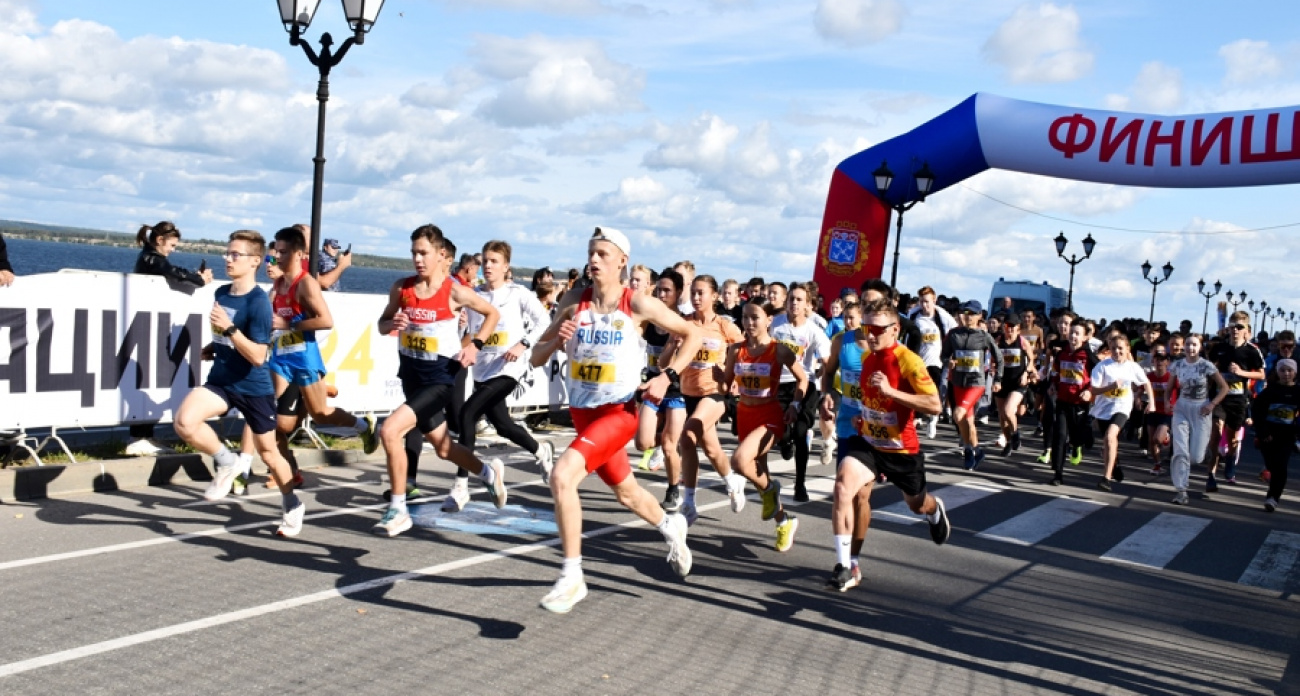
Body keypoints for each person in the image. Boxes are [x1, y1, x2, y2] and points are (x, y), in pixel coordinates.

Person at [528, 227, 699, 614]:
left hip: (619, 412)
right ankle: (671, 526)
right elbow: (537, 357)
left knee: (561, 476)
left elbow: (692, 334)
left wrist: (667, 375)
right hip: (582, 414)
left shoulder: (636, 304)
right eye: (591, 252)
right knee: (627, 493)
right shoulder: (574, 301)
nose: (594, 259)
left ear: (622, 260)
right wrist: (556, 340)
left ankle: (572, 577)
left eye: (603, 253)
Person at [372, 224, 507, 537]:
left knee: (390, 430)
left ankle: (398, 508)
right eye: (414, 253)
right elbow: (381, 325)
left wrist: (475, 345)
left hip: (440, 378)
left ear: (439, 254)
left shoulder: (454, 291)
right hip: (411, 376)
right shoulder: (401, 288)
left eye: (423, 253)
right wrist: (394, 322)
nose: (418, 259)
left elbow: (492, 315)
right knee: (444, 448)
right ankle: (488, 473)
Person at [173, 230, 304, 536]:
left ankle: (291, 502)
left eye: (235, 255)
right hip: (222, 381)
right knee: (184, 421)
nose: (227, 259)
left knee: (270, 454)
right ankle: (226, 461)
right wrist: (214, 346)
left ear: (255, 261)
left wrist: (230, 330)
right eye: (227, 253)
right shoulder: (221, 293)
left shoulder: (259, 302)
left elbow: (259, 355)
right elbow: (226, 337)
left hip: (254, 388)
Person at [826, 297, 949, 591]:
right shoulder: (868, 358)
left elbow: (935, 405)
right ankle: (845, 565)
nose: (870, 334)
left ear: (895, 329)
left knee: (916, 504)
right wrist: (863, 420)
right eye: (867, 327)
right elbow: (872, 401)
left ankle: (934, 511)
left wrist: (892, 391)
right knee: (843, 486)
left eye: (878, 329)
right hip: (869, 443)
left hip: (901, 450)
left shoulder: (908, 360)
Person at [255, 227, 378, 487]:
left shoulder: (305, 283)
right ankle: (286, 470)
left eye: (284, 252)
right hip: (280, 358)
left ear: (299, 254)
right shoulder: (278, 285)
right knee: (270, 416)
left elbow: (325, 320)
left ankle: (363, 426)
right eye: (276, 252)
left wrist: (289, 324)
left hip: (304, 358)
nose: (277, 257)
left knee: (320, 413)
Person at [442, 240, 555, 512]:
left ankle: (461, 486)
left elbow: (545, 321)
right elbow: (468, 335)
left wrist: (523, 344)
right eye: (485, 261)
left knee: (467, 414)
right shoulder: (474, 295)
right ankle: (541, 452)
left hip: (509, 368)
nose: (488, 266)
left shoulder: (517, 294)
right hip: (483, 369)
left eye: (494, 261)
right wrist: (461, 330)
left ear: (506, 266)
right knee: (503, 425)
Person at [723, 301, 806, 553]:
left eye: (755, 318)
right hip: (744, 414)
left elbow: (803, 379)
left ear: (769, 320)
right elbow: (726, 383)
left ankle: (771, 490)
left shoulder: (778, 350)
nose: (749, 323)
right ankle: (784, 521)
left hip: (769, 415)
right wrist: (720, 381)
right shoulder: (735, 350)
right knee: (758, 475)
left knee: (739, 462)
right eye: (745, 318)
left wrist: (795, 404)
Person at [128, 221, 215, 457]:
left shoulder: (151, 256)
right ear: (159, 241)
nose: (173, 249)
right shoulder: (151, 258)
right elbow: (172, 272)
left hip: (150, 322)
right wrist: (199, 280)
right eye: (172, 245)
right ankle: (139, 436)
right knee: (146, 377)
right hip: (146, 323)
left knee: (152, 377)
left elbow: (172, 270)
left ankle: (144, 433)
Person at [671, 275, 747, 524]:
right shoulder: (684, 324)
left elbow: (745, 353)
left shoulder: (725, 326)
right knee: (712, 450)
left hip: (714, 392)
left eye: (701, 293)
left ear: (714, 296)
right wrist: (673, 346)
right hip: (689, 392)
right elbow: (666, 362)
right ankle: (732, 481)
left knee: (687, 436)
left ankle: (689, 503)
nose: (695, 297)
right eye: (693, 292)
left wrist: (732, 375)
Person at [817, 301, 872, 589]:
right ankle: (844, 563)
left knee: (862, 497)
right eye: (846, 318)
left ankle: (854, 559)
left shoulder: (879, 345)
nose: (848, 323)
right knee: (844, 491)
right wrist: (828, 395)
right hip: (848, 424)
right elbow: (828, 373)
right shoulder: (841, 341)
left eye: (853, 318)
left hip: (875, 428)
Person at [770, 282, 831, 501]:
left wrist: (824, 369)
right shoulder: (776, 325)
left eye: (799, 300)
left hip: (805, 385)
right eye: (791, 299)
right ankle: (784, 442)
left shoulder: (814, 330)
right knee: (782, 431)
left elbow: (826, 359)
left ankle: (800, 484)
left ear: (808, 305)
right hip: (779, 384)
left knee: (800, 432)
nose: (794, 303)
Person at [634, 269, 687, 489]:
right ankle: (669, 440)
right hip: (651, 384)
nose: (662, 295)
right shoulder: (647, 319)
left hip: (676, 389)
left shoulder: (682, 322)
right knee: (642, 442)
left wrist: (674, 346)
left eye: (667, 291)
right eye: (659, 290)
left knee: (669, 446)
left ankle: (673, 489)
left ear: (678, 293)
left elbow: (667, 364)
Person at [1206, 312, 1266, 489]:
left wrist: (1241, 373)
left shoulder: (1252, 351)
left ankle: (1231, 460)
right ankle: (1211, 475)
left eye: (1239, 327)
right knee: (1215, 433)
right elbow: (1209, 369)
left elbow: (1261, 374)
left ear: (1246, 329)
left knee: (1232, 438)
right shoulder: (1219, 348)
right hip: (1219, 398)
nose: (1235, 330)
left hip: (1238, 400)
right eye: (1232, 326)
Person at [1168, 334, 1229, 505]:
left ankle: (1207, 452)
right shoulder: (1177, 365)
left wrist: (1212, 405)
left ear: (1200, 347)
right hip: (1182, 408)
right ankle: (1181, 490)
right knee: (1180, 450)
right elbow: (1170, 386)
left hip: (1202, 409)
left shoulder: (1206, 366)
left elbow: (1225, 388)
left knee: (1196, 457)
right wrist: (1167, 402)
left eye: (1194, 345)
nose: (1190, 348)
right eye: (1188, 344)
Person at [941, 300, 1002, 470]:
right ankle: (976, 450)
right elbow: (944, 356)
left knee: (958, 414)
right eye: (964, 313)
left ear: (979, 316)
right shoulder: (953, 334)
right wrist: (949, 362)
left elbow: (1000, 358)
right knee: (967, 422)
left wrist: (997, 379)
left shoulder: (984, 336)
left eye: (971, 314)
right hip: (958, 382)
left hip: (976, 383)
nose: (967, 317)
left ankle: (968, 450)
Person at [1090, 335, 1155, 491]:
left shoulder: (1132, 367)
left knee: (1110, 436)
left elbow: (1146, 382)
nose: (1117, 351)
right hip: (1103, 408)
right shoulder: (1103, 366)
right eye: (1113, 348)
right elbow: (1094, 389)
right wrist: (1110, 387)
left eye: (1120, 348)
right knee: (1108, 442)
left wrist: (1151, 402)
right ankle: (1115, 464)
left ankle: (1106, 478)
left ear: (1127, 349)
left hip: (1122, 407)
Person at [1047, 321, 1099, 485]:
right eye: (1072, 333)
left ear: (1084, 337)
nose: (1073, 336)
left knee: (1077, 435)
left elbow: (1098, 377)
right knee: (1060, 435)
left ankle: (1077, 444)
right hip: (1062, 401)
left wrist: (1089, 390)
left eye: (1077, 333)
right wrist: (1053, 385)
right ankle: (1058, 473)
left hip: (1080, 402)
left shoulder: (1088, 356)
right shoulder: (1062, 353)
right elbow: (1056, 372)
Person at [908, 286, 957, 439]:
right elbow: (907, 335)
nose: (924, 305)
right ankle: (918, 417)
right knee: (916, 389)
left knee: (934, 390)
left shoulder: (943, 316)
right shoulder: (914, 314)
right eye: (922, 302)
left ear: (934, 301)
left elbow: (954, 334)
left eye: (927, 302)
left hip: (937, 361)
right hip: (918, 359)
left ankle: (933, 418)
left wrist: (951, 356)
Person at [1254, 358, 1300, 512]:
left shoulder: (1298, 392)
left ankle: (1273, 497)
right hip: (1268, 435)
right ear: (1277, 372)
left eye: (1289, 370)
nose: (1286, 373)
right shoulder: (1270, 391)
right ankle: (1268, 473)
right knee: (1272, 465)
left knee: (1281, 467)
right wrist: (1262, 432)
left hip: (1287, 436)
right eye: (1282, 370)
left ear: (1295, 372)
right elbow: (1257, 411)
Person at [995, 313, 1036, 457]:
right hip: (1002, 381)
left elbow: (1031, 361)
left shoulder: (1022, 342)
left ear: (1018, 329)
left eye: (1013, 327)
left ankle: (1016, 433)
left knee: (1008, 410)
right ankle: (1008, 441)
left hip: (1018, 382)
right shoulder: (999, 341)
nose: (1010, 330)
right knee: (1002, 417)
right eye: (1007, 326)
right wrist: (994, 373)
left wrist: (1026, 373)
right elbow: (993, 360)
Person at [1145, 342, 1175, 474]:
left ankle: (1166, 437)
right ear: (1153, 361)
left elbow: (1179, 391)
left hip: (1166, 413)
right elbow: (1141, 389)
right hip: (1152, 411)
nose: (1159, 363)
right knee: (1152, 441)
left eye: (1162, 360)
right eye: (1157, 360)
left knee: (1158, 438)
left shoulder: (1171, 377)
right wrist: (1138, 399)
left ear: (1167, 362)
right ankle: (1157, 464)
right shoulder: (1149, 376)